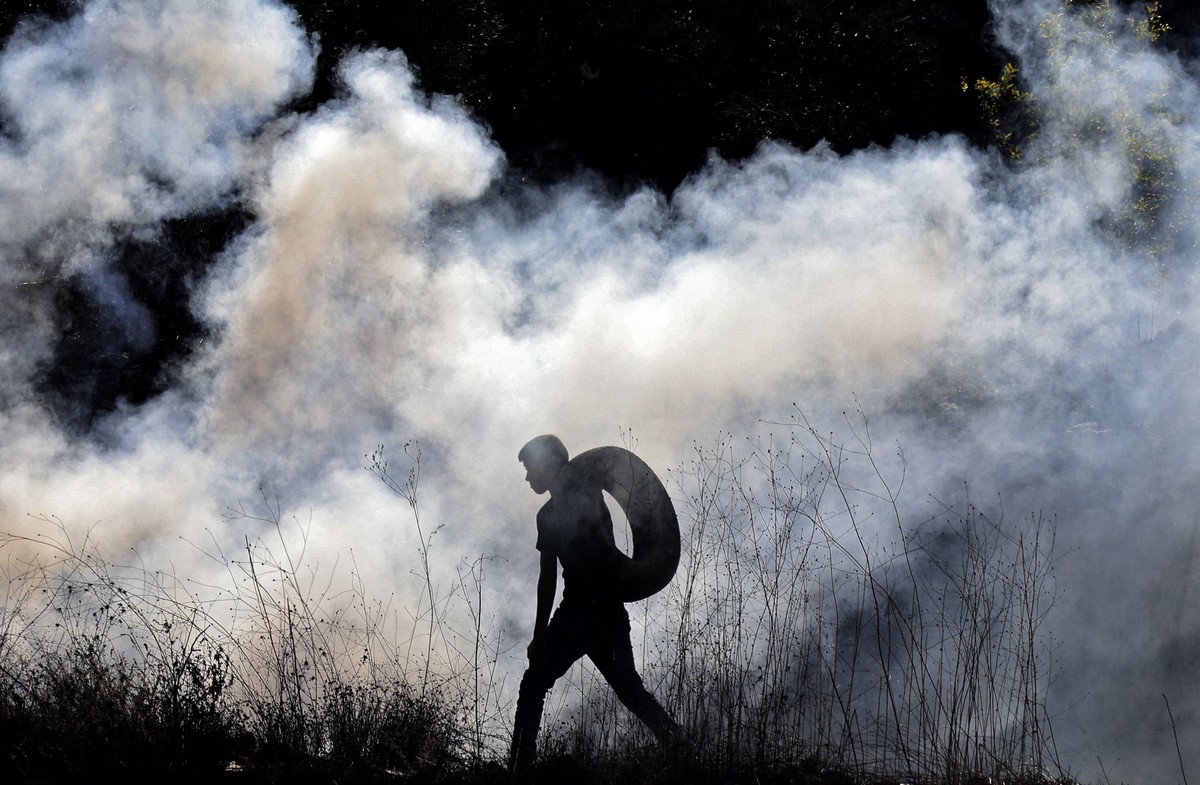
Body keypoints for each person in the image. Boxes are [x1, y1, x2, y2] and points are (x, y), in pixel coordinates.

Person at [509, 434, 680, 770]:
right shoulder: (560, 508)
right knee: (631, 692)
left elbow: (548, 580)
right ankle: (683, 746)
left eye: (530, 468)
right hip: (605, 612)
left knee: (534, 684)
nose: (528, 477)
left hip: (581, 614)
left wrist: (541, 636)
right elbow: (548, 577)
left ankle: (518, 769)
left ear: (547, 464)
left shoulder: (580, 496)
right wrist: (541, 634)